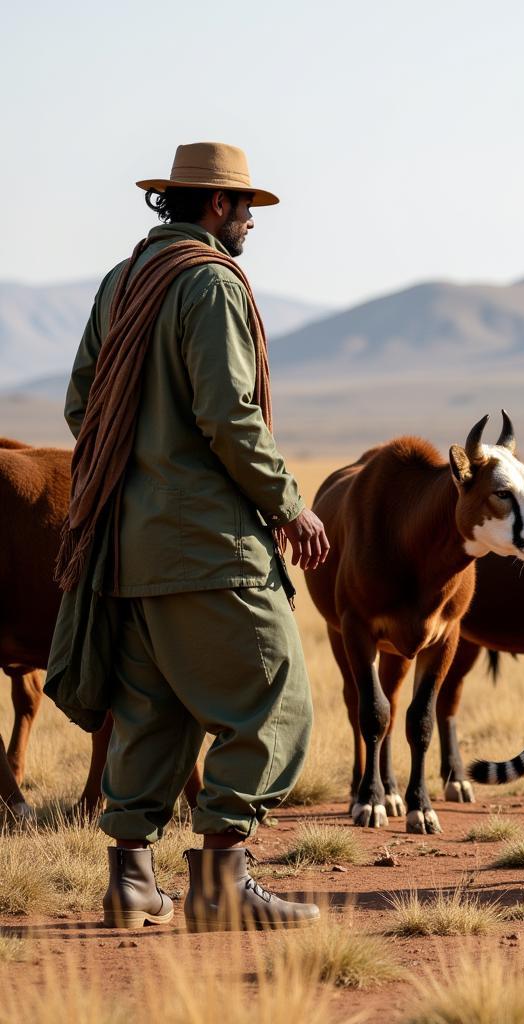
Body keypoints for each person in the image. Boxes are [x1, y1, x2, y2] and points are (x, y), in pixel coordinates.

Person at [49, 142, 329, 931]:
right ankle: (221, 884)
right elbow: (229, 415)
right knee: (274, 694)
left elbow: (82, 409)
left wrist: (136, 467)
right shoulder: (207, 282)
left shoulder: (124, 279)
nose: (249, 222)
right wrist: (287, 504)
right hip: (209, 546)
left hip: (128, 547)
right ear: (214, 207)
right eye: (245, 208)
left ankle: (132, 883)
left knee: (152, 709)